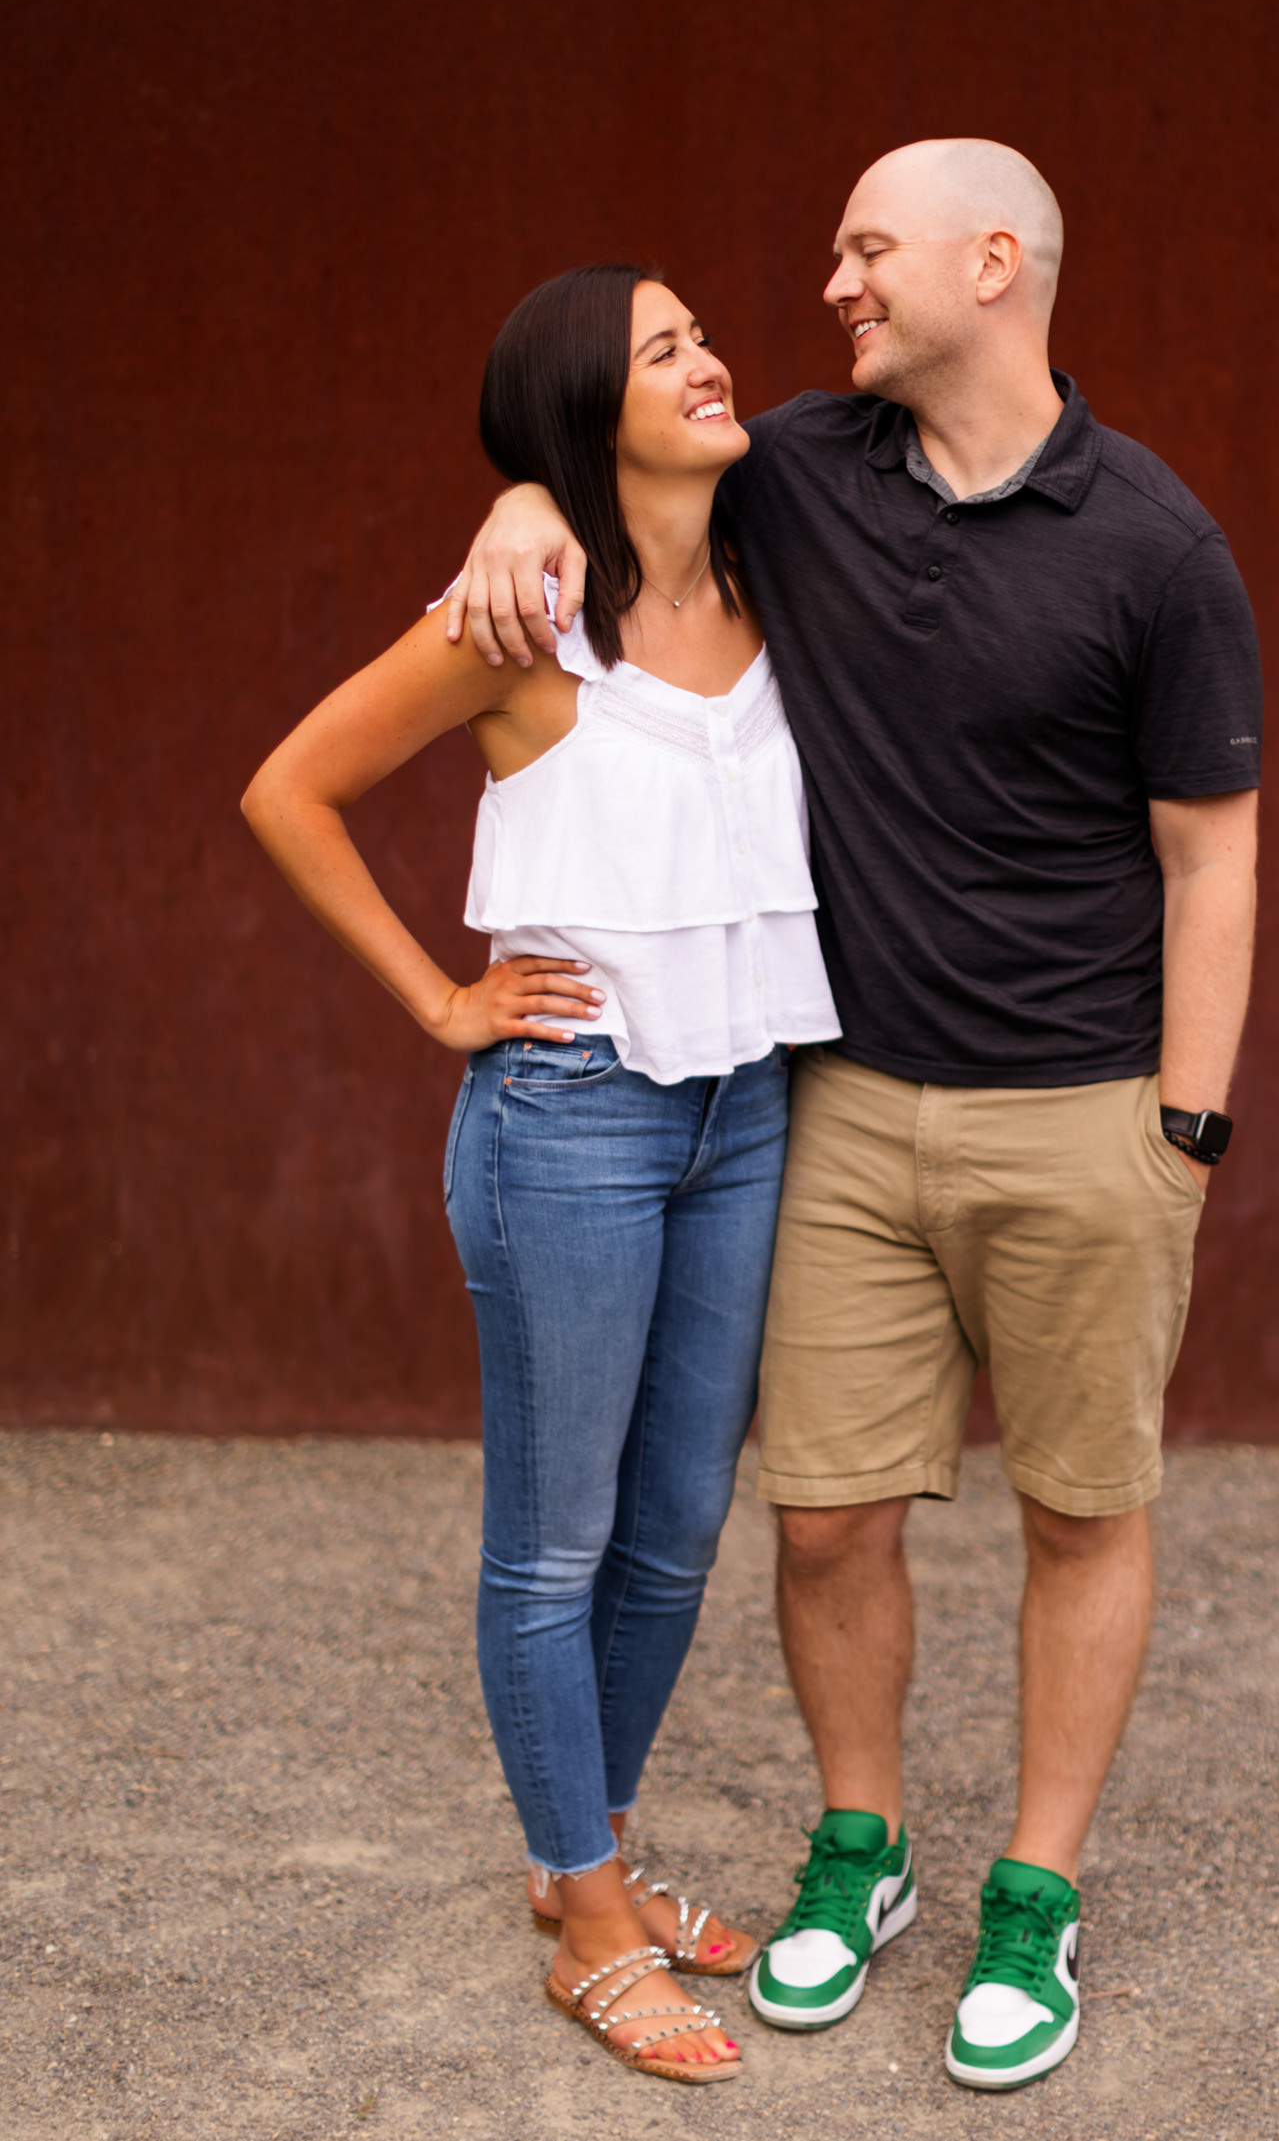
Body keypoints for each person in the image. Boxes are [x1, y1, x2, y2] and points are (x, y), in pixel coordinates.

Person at [447, 139, 1262, 2092]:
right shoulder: (801, 470)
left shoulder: (1155, 546)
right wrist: (506, 502)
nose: (827, 282)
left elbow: (1208, 856)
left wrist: (1184, 1134)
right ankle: (856, 1852)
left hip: (1084, 1117)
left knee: (1081, 1511)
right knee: (818, 1524)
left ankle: (1035, 1901)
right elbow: (602, 453)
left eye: (863, 250)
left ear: (993, 266)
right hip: (842, 1112)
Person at [242, 265, 841, 2085]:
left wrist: (526, 487)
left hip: (746, 1106)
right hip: (570, 1113)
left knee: (672, 1530)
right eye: (664, 350)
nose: (713, 356)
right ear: (590, 414)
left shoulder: (778, 575)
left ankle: (583, 1845)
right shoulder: (520, 624)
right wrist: (439, 995)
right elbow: (289, 786)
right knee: (555, 1540)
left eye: (701, 330)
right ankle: (589, 1914)